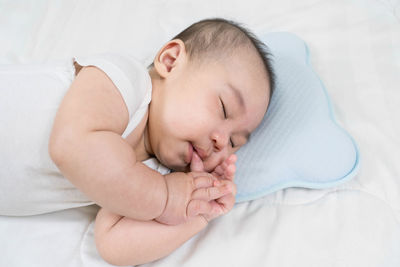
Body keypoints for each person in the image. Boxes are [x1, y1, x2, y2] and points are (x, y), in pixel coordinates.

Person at [0, 18, 274, 265]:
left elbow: (114, 245)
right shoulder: (124, 82)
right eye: (224, 108)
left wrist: (195, 210)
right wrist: (165, 198)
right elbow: (71, 146)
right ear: (170, 61)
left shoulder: (150, 177)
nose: (220, 141)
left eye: (235, 143)